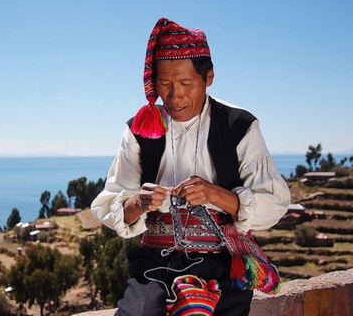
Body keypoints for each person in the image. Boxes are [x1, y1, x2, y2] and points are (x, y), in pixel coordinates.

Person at [91, 17, 290, 316]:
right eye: (164, 84)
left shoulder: (238, 125)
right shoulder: (140, 129)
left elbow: (275, 202)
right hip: (155, 262)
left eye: (186, 83)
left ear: (208, 77)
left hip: (222, 261)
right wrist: (137, 202)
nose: (175, 96)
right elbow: (110, 201)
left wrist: (216, 195)